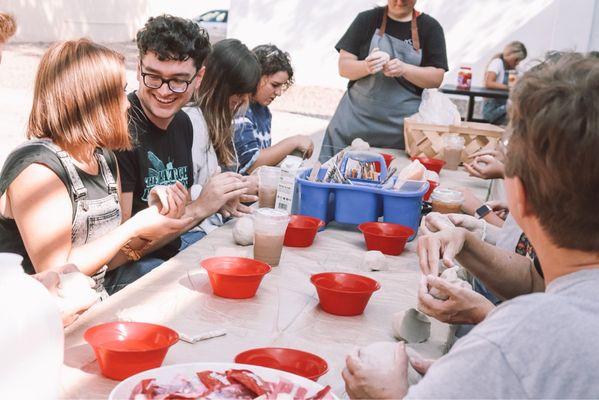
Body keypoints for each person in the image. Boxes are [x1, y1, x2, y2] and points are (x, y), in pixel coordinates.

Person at [343, 53, 599, 398]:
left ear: (519, 197)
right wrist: (467, 239)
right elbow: (537, 280)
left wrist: (387, 394)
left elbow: (534, 340)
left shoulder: (524, 336)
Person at [0, 39, 190, 294]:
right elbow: (56, 274)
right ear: (88, 102)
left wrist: (153, 220)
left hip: (93, 300)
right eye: (119, 92)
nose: (127, 104)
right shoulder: (38, 169)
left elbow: (108, 261)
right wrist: (134, 227)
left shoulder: (104, 157)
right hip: (38, 317)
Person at [110, 17, 252, 293]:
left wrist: (218, 199)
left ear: (198, 78)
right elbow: (121, 250)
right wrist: (201, 207)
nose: (163, 91)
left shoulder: (184, 123)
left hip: (172, 252)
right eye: (153, 76)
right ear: (138, 69)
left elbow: (179, 212)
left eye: (177, 81)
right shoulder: (120, 127)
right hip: (131, 269)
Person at [318, 0, 447, 162]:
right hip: (353, 124)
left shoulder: (430, 28)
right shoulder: (367, 20)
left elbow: (436, 78)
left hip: (398, 133)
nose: (399, 2)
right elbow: (344, 67)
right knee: (332, 177)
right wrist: (367, 66)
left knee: (390, 179)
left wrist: (404, 69)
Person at [183, 38, 261, 226]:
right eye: (238, 92)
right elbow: (185, 191)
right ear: (218, 84)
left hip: (210, 223)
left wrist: (235, 189)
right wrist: (235, 188)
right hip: (193, 231)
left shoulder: (216, 122)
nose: (243, 100)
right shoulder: (192, 120)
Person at [233, 44, 313, 174]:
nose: (279, 93)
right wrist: (294, 141)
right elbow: (251, 164)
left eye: (282, 86)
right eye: (274, 85)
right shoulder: (240, 109)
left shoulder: (265, 113)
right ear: (256, 76)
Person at [482, 41, 527, 124]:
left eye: (519, 61)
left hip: (503, 108)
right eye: (516, 60)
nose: (517, 63)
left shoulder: (513, 69)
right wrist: (509, 87)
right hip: (492, 109)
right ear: (511, 56)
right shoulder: (497, 62)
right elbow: (488, 83)